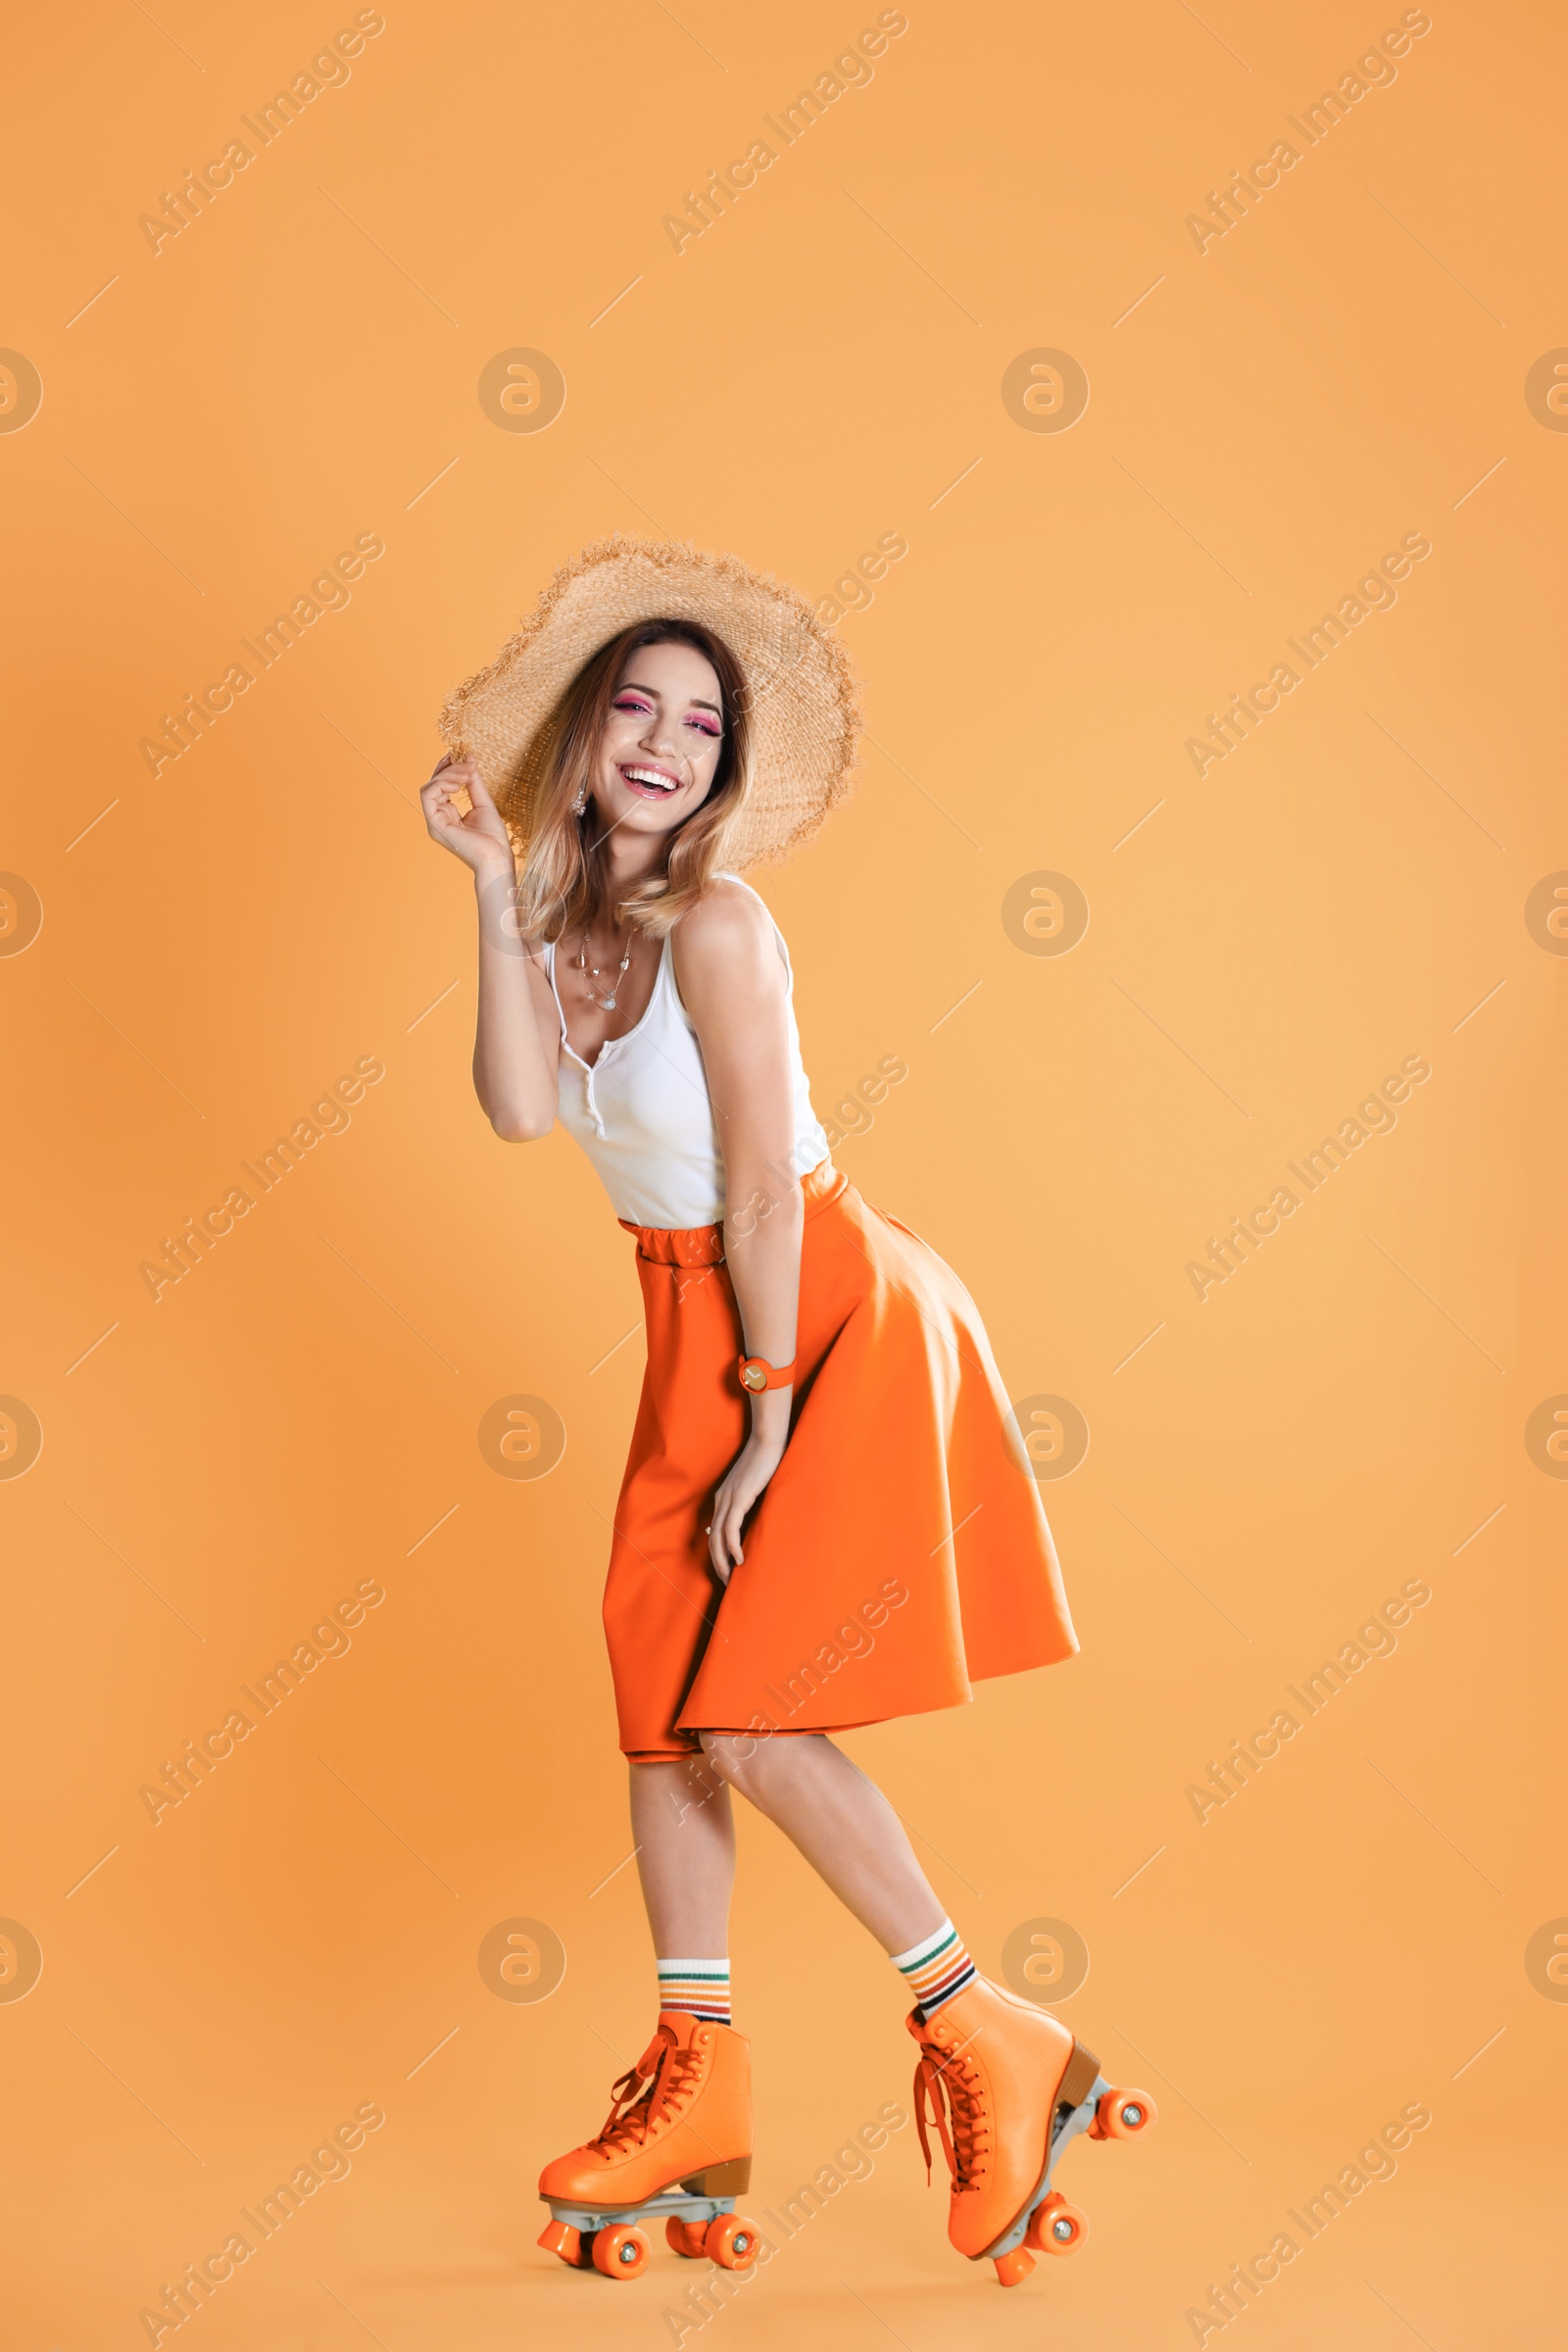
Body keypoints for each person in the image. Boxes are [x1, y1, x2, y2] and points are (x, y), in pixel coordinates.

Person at [421, 537, 1152, 2288]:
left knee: (750, 1718)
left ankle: (991, 2033)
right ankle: (699, 2082)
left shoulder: (724, 924)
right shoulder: (554, 910)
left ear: (727, 768)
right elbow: (523, 1112)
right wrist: (474, 875)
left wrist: (762, 1411)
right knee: (663, 1704)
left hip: (822, 1307)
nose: (666, 740)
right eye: (637, 707)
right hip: (692, 1321)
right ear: (588, 735)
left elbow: (760, 1187)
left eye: (701, 720)